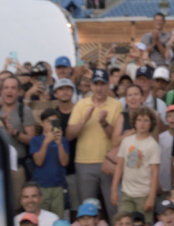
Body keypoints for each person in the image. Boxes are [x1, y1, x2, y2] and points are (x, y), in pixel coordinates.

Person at [70, 69, 125, 220]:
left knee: (115, 208)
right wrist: (84, 120)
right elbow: (69, 135)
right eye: (96, 84)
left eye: (102, 84)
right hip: (84, 163)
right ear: (91, 85)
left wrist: (104, 123)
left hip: (108, 163)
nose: (99, 88)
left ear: (108, 85)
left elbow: (117, 139)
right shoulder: (81, 104)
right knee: (87, 212)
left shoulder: (116, 105)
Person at [114, 107, 160, 217]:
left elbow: (155, 173)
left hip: (144, 194)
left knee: (144, 223)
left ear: (151, 123)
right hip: (126, 193)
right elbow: (119, 166)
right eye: (139, 120)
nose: (142, 123)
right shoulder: (126, 141)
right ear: (134, 122)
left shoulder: (153, 145)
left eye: (146, 120)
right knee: (123, 221)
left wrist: (151, 197)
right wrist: (113, 189)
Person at [31, 115, 71, 218]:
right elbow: (38, 162)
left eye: (54, 122)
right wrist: (46, 142)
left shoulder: (63, 140)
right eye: (49, 121)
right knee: (41, 219)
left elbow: (64, 163)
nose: (51, 125)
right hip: (41, 186)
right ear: (41, 123)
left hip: (58, 186)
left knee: (58, 219)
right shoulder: (35, 140)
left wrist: (59, 144)